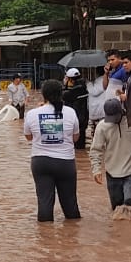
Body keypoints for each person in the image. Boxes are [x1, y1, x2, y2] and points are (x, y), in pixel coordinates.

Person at [24, 78, 81, 222]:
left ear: (44, 95)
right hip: (65, 163)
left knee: (44, 203)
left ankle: (45, 239)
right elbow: (75, 138)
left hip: (41, 162)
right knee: (70, 204)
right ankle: (73, 237)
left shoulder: (32, 114)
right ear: (61, 94)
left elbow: (29, 137)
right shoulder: (71, 113)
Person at [61, 68, 89, 153]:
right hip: (83, 119)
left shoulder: (72, 92)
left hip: (74, 121)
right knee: (81, 146)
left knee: (73, 149)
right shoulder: (84, 87)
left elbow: (63, 95)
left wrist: (64, 85)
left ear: (70, 79)